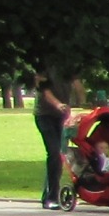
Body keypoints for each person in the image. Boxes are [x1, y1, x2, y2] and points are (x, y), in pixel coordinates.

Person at [33, 72, 69, 204]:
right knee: (54, 152)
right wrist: (58, 104)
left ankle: (52, 195)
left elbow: (77, 84)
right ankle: (50, 197)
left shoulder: (70, 65)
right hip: (44, 115)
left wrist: (83, 101)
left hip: (62, 116)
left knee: (60, 154)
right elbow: (44, 89)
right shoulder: (44, 65)